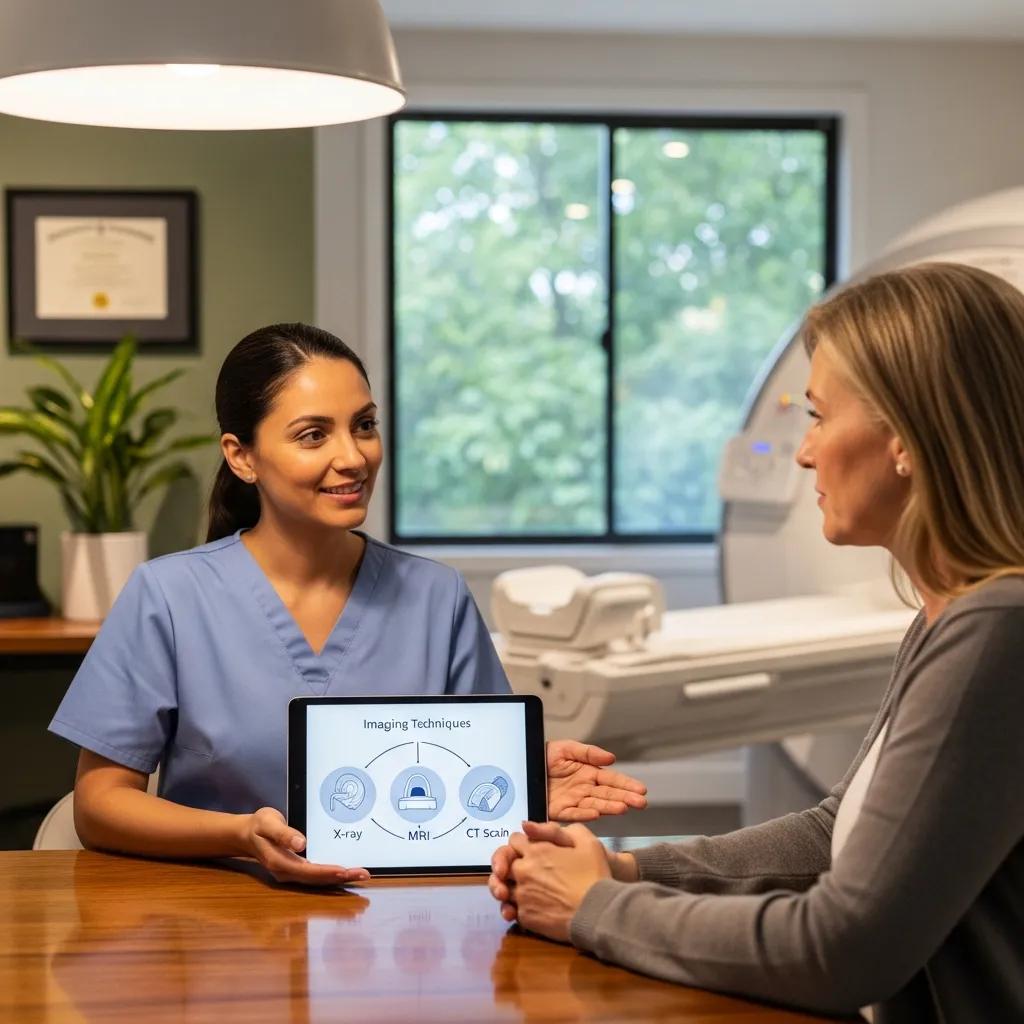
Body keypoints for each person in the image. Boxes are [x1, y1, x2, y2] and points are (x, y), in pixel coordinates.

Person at [488, 263, 1024, 1023]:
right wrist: (627, 868)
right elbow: (831, 835)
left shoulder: (997, 632)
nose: (803, 453)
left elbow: (841, 948)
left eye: (817, 416)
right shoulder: (948, 615)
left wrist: (594, 907)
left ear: (904, 438)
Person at [50, 323, 646, 885]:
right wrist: (240, 835)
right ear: (242, 457)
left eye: (364, 425)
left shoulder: (437, 598)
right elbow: (99, 805)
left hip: (404, 931)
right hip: (217, 922)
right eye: (314, 434)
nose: (354, 456)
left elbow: (466, 786)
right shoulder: (169, 597)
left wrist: (520, 783)